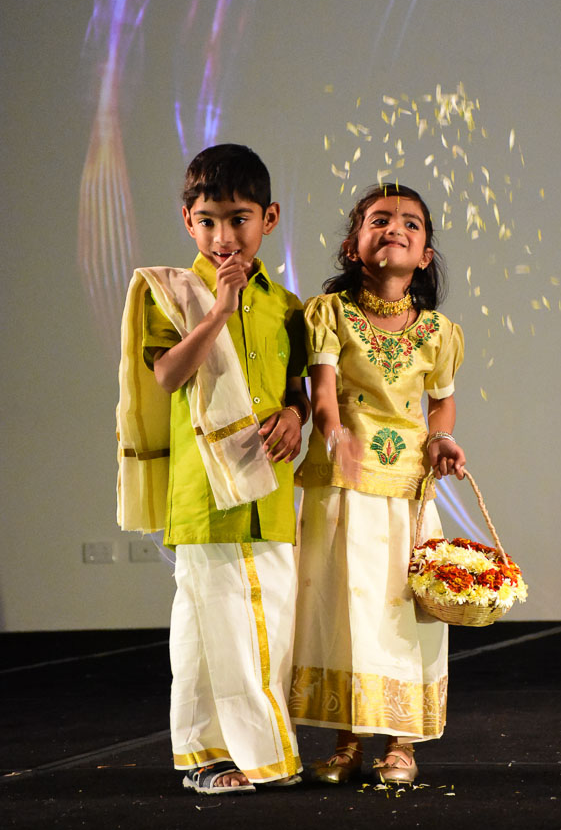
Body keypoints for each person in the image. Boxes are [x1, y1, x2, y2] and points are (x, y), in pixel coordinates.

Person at [117, 143, 309, 794]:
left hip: (270, 489)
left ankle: (202, 755)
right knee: (232, 623)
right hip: (206, 494)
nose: (223, 236)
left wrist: (296, 415)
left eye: (238, 219)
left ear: (269, 218)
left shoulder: (286, 305)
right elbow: (168, 374)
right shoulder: (170, 292)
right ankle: (265, 758)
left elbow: (297, 390)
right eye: (207, 220)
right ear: (187, 220)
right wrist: (219, 309)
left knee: (220, 629)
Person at [289, 183, 466, 785]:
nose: (396, 228)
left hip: (408, 489)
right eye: (380, 219)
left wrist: (441, 440)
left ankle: (402, 743)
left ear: (425, 255)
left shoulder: (439, 331)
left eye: (411, 223)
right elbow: (323, 395)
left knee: (403, 614)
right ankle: (346, 741)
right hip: (343, 484)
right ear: (352, 246)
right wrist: (334, 434)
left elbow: (440, 404)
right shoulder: (329, 314)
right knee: (341, 607)